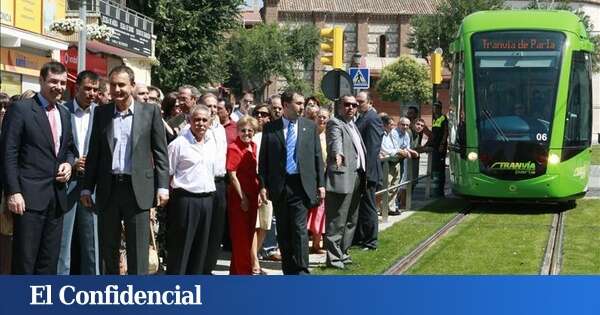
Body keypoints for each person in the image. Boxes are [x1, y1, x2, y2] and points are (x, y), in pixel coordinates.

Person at [81, 65, 169, 275]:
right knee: (108, 248)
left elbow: (160, 152)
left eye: (122, 85)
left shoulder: (150, 112)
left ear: (132, 85)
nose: (117, 89)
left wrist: (163, 186)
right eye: (113, 85)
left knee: (138, 249)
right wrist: (86, 188)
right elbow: (94, 154)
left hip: (137, 189)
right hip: (108, 188)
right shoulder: (101, 113)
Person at [2, 61, 76, 274]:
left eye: (62, 83)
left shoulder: (64, 113)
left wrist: (68, 165)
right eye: (53, 81)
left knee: (48, 263)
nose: (59, 87)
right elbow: (8, 153)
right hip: (28, 199)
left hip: (57, 200)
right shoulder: (21, 109)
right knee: (25, 263)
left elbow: (70, 150)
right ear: (41, 80)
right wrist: (13, 192)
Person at [258, 90, 325, 275]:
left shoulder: (309, 127)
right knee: (284, 230)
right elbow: (264, 159)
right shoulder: (271, 128)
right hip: (280, 186)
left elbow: (318, 156)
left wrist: (321, 184)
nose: (302, 107)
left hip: (301, 185)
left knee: (299, 228)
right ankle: (289, 269)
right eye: (298, 103)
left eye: (303, 103)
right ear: (286, 105)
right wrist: (263, 185)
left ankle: (302, 269)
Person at [58, 70, 101, 275]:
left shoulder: (102, 114)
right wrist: (73, 162)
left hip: (92, 185)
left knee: (92, 243)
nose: (91, 93)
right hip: (67, 183)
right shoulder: (62, 110)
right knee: (63, 243)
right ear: (76, 88)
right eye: (87, 88)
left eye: (95, 89)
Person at [166, 105, 217, 274]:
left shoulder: (212, 142)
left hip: (207, 200)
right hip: (185, 200)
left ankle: (195, 285)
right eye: (197, 119)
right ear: (189, 121)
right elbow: (167, 173)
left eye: (204, 120)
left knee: (201, 247)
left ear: (210, 122)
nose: (201, 123)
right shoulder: (178, 144)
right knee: (182, 247)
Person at [324, 95, 366, 269]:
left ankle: (344, 253)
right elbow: (336, 141)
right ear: (340, 106)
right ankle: (333, 258)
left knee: (351, 219)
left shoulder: (353, 125)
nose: (350, 108)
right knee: (337, 220)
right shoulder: (335, 122)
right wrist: (337, 154)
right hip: (342, 177)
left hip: (357, 176)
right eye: (347, 104)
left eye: (354, 105)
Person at [199, 93, 229, 275]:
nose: (212, 110)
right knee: (203, 228)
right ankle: (198, 267)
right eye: (208, 106)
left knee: (216, 229)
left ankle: (208, 267)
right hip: (202, 182)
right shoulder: (196, 128)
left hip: (220, 183)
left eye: (215, 107)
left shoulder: (220, 129)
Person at [227, 116, 260, 275]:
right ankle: (244, 274)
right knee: (240, 237)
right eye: (243, 130)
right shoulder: (234, 148)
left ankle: (236, 273)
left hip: (253, 195)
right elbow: (232, 175)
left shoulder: (253, 146)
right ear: (238, 131)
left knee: (247, 236)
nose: (247, 133)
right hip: (239, 198)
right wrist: (243, 198)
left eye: (250, 130)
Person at [353, 91, 384, 250]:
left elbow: (372, 149)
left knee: (369, 206)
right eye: (356, 101)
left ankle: (371, 241)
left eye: (360, 102)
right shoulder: (362, 117)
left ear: (370, 102)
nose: (357, 105)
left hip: (368, 172)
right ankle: (360, 238)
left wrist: (367, 174)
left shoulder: (373, 119)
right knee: (361, 207)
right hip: (363, 171)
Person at [250, 104, 272, 274]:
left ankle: (254, 257)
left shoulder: (272, 135)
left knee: (264, 224)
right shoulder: (249, 136)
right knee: (253, 225)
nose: (260, 116)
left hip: (269, 185)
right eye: (257, 113)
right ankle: (254, 262)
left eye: (264, 114)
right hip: (253, 183)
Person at [307, 107, 330, 254]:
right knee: (310, 211)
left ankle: (316, 244)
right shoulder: (309, 134)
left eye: (324, 117)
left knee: (321, 211)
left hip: (326, 177)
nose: (321, 119)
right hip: (311, 177)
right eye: (319, 117)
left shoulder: (330, 136)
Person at [395, 117, 418, 209]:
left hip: (403, 161)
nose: (405, 127)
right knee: (394, 183)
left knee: (402, 182)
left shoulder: (406, 135)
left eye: (407, 125)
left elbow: (407, 147)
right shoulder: (394, 133)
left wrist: (412, 152)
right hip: (394, 161)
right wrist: (406, 152)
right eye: (403, 124)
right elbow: (395, 147)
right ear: (398, 124)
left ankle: (397, 204)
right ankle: (392, 205)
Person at [430, 101, 448, 197]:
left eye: (436, 108)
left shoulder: (443, 118)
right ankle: (435, 190)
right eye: (433, 108)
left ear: (440, 109)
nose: (434, 109)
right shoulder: (434, 119)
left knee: (440, 168)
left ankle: (440, 191)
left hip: (441, 147)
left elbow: (445, 132)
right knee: (435, 167)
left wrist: (442, 144)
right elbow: (433, 134)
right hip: (435, 146)